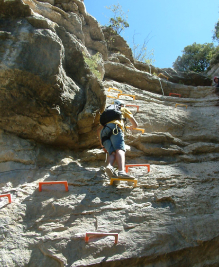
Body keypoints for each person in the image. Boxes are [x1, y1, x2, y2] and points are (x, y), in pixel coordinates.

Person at [97, 99, 138, 179]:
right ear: (121, 105)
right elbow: (135, 124)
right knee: (120, 149)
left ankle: (109, 166)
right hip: (116, 128)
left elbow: (98, 130)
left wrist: (102, 145)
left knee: (112, 153)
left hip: (104, 132)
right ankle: (121, 172)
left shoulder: (107, 113)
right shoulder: (122, 109)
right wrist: (130, 127)